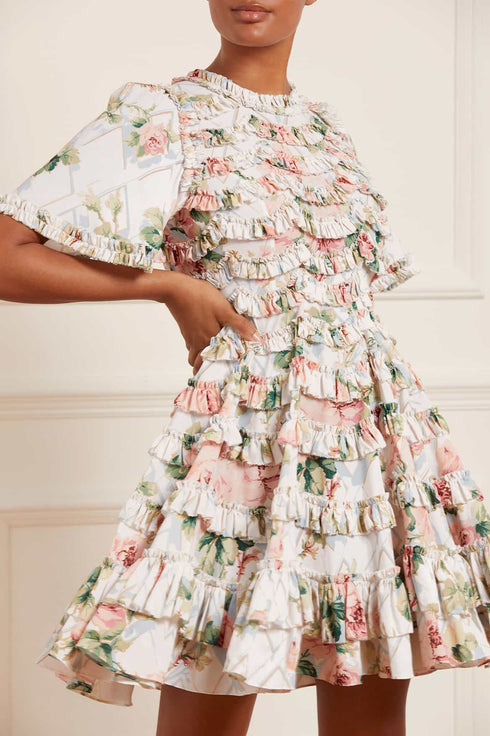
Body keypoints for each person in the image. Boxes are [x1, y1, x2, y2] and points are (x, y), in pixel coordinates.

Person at [1, 2, 489, 735]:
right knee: (207, 690)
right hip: (246, 446)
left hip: (369, 447)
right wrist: (168, 286)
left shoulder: (325, 130)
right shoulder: (162, 115)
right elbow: (8, 254)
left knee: (371, 703)